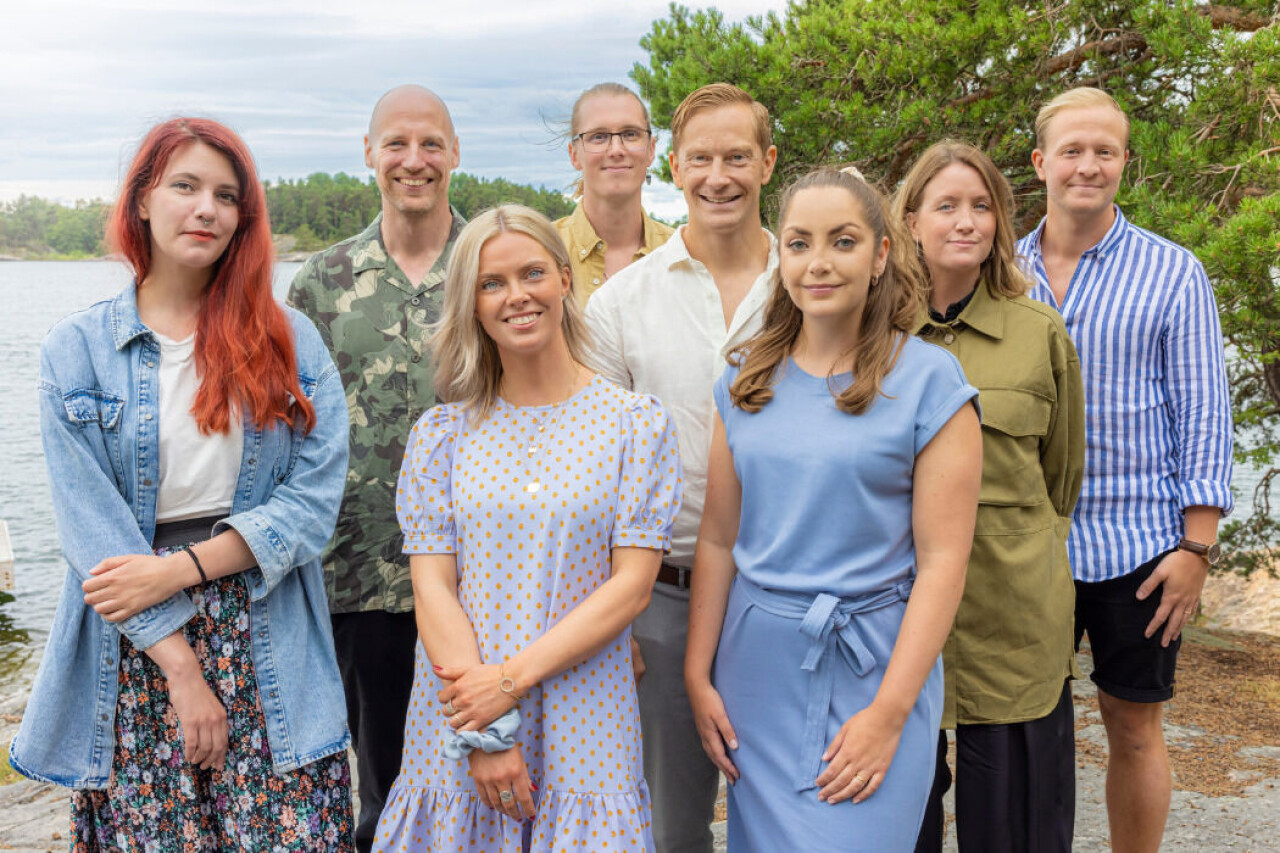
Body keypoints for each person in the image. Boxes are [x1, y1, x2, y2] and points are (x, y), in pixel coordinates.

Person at [8, 118, 353, 849]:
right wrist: (181, 666)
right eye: (185, 186)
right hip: (135, 642)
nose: (206, 209)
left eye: (226, 196)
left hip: (266, 619)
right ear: (141, 200)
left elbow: (314, 503)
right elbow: (88, 525)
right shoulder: (76, 350)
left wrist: (183, 567)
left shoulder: (288, 339)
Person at [686, 167, 982, 851]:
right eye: (798, 243)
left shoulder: (931, 383)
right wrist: (699, 676)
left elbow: (943, 562)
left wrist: (889, 712)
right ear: (779, 257)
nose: (818, 262)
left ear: (880, 255)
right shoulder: (744, 380)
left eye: (842, 241)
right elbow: (718, 538)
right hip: (757, 670)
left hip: (875, 664)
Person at [373, 205, 681, 852]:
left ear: (565, 279)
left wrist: (507, 684)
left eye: (532, 273)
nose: (516, 295)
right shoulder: (443, 436)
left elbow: (631, 587)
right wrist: (487, 729)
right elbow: (434, 589)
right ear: (473, 304)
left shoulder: (635, 425)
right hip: (460, 709)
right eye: (492, 283)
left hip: (585, 710)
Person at [1018, 87, 1233, 852]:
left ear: (1124, 161)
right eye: (1072, 150)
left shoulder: (1174, 273)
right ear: (1041, 162)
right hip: (1025, 546)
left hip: (1138, 549)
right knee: (1024, 730)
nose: (1088, 165)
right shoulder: (999, 271)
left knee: (1133, 725)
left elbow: (1203, 413)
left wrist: (1196, 550)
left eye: (1104, 151)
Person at [585, 82, 778, 853]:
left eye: (737, 156)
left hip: (784, 591)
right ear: (675, 165)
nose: (719, 176)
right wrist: (611, 617)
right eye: (701, 159)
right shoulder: (620, 305)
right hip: (660, 598)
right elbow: (596, 473)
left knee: (783, 810)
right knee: (672, 825)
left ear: (767, 162)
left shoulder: (813, 288)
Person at [893, 140, 1085, 852]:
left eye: (982, 207)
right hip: (898, 622)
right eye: (946, 205)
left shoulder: (1039, 332)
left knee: (1015, 829)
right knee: (900, 822)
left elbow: (1061, 475)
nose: (966, 221)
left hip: (1013, 620)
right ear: (911, 220)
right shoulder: (873, 337)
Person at [287, 84, 465, 851]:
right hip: (360, 576)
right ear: (369, 153)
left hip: (484, 570)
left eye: (431, 144)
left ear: (455, 153)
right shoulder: (320, 283)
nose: (413, 160)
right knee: (383, 785)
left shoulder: (490, 263)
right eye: (396, 143)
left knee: (491, 760)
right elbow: (288, 432)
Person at [555, 82, 674, 306]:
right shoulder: (543, 251)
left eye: (630, 134)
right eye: (598, 137)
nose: (617, 149)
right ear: (574, 154)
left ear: (651, 150)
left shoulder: (682, 253)